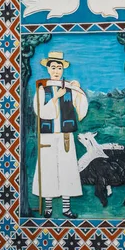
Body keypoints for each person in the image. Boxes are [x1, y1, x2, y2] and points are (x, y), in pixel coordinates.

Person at [32, 51, 88, 218]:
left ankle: (66, 208)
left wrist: (78, 90)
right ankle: (48, 206)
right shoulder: (42, 90)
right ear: (48, 69)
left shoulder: (69, 88)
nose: (56, 71)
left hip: (65, 135)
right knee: (48, 168)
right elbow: (41, 112)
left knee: (67, 169)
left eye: (59, 68)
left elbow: (81, 106)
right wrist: (55, 97)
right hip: (47, 135)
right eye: (53, 67)